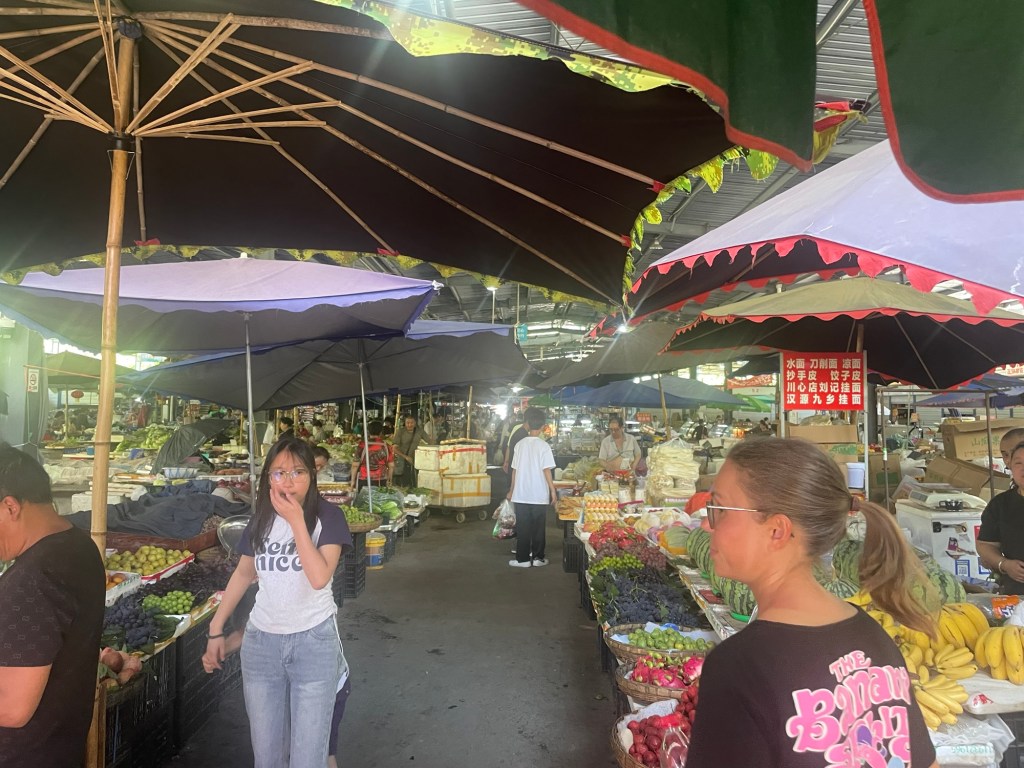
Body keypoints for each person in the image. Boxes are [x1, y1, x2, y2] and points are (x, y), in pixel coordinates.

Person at [685, 438, 937, 768]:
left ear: (777, 531)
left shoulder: (738, 668)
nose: (706, 524)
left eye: (719, 510)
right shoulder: (875, 640)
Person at [201, 437, 352, 768]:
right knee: (267, 757)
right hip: (261, 646)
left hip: (314, 644)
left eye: (298, 472)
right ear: (268, 478)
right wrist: (216, 629)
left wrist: (297, 521)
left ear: (312, 475)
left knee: (307, 759)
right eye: (279, 473)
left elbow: (319, 577)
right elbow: (243, 574)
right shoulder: (261, 519)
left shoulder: (329, 517)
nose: (288, 481)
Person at [0, 443, 105, 768]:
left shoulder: (32, 579)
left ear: (10, 507)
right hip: (59, 747)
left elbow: (12, 708)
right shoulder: (78, 545)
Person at [217, 583, 353, 768]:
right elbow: (241, 635)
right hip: (291, 684)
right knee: (290, 748)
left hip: (333, 688)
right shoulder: (261, 616)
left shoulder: (282, 610)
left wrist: (218, 644)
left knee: (320, 753)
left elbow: (319, 579)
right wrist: (216, 646)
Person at [506, 407, 556, 568]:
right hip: (539, 494)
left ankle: (523, 560)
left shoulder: (519, 445)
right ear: (542, 426)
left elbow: (514, 470)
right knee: (538, 528)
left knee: (523, 527)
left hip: (521, 493)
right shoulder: (544, 446)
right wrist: (552, 490)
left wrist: (511, 490)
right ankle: (538, 558)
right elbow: (547, 470)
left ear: (528, 423)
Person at [977, 431, 1024, 594]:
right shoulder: (1000, 504)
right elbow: (985, 545)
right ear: (1010, 466)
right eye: (1018, 463)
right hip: (1015, 594)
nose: (1023, 469)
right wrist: (1004, 564)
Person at [350, 420, 393, 491]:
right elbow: (391, 466)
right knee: (379, 498)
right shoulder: (386, 446)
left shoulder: (362, 445)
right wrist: (389, 480)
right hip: (381, 480)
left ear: (368, 431)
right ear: (381, 432)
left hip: (364, 479)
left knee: (364, 497)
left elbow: (355, 465)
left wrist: (352, 482)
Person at [392, 415, 431, 489]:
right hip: (402, 460)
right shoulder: (400, 432)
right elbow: (394, 448)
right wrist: (406, 457)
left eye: (412, 423)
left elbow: (430, 442)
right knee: (401, 482)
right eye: (408, 423)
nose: (410, 425)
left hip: (415, 460)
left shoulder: (420, 431)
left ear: (415, 423)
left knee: (413, 481)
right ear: (405, 423)